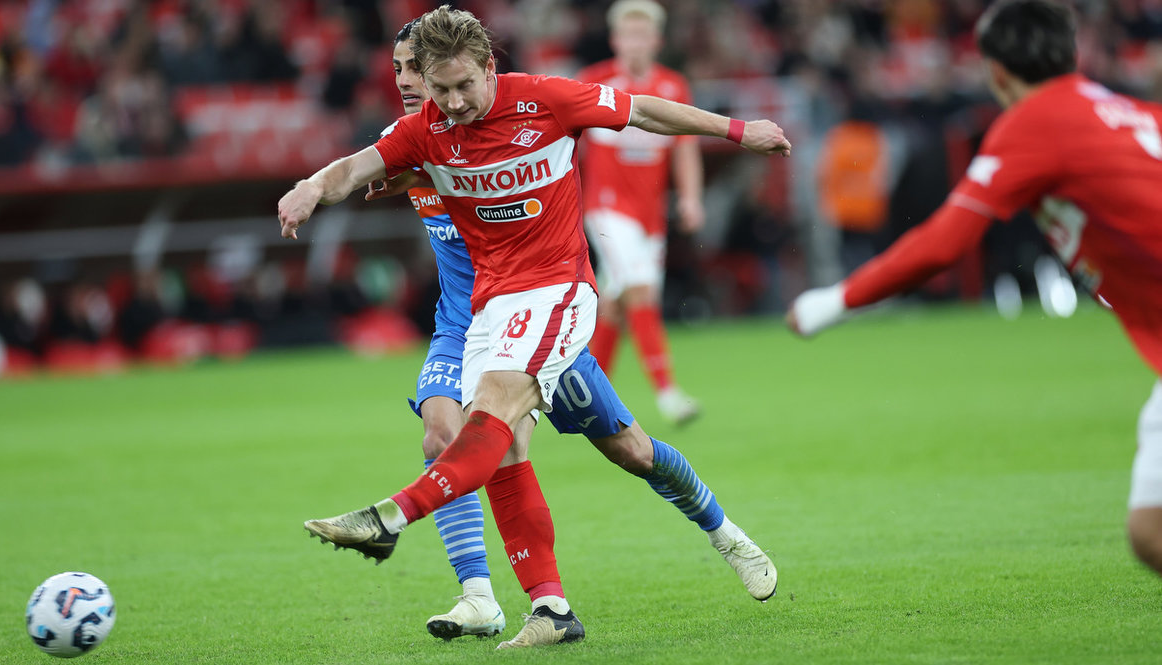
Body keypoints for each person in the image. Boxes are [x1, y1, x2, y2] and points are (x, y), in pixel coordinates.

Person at [278, 4, 790, 646]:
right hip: (485, 313)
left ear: (490, 68)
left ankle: (393, 517)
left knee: (617, 449)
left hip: (555, 295)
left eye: (462, 86)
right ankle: (543, 609)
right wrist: (311, 188)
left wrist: (739, 131)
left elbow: (642, 110)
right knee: (495, 446)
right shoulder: (420, 132)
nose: (451, 102)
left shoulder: (545, 99)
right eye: (435, 87)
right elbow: (354, 168)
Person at [786, 0, 1162, 578]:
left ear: (997, 72)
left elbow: (943, 243)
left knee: (1152, 530)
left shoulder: (1036, 122)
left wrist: (833, 302)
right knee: (1150, 528)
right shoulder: (1133, 111)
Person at [577, 0, 704, 425]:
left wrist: (690, 197)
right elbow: (565, 143)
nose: (634, 43)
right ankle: (668, 393)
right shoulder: (594, 82)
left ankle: (586, 399)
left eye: (642, 34)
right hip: (606, 208)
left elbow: (685, 147)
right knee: (641, 291)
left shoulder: (673, 86)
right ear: (615, 40)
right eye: (627, 34)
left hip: (651, 215)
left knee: (615, 303)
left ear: (657, 40)